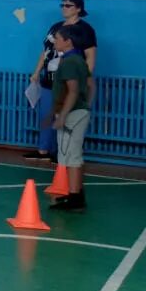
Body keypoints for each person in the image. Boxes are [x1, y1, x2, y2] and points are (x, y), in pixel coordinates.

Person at [26, 0, 97, 162]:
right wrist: (37, 71)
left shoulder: (85, 30)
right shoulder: (55, 27)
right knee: (46, 114)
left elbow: (90, 56)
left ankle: (61, 154)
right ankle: (43, 150)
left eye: (68, 5)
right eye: (62, 5)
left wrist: (85, 77)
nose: (64, 8)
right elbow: (46, 52)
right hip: (49, 80)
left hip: (69, 80)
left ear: (78, 8)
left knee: (65, 117)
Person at [47, 24, 91, 212]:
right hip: (79, 112)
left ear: (67, 41)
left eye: (57, 38)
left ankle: (74, 199)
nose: (55, 41)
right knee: (74, 156)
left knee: (71, 157)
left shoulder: (69, 62)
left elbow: (72, 91)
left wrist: (63, 116)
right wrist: (86, 105)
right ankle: (76, 193)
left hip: (72, 116)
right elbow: (91, 85)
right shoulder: (79, 59)